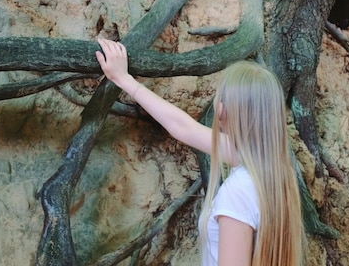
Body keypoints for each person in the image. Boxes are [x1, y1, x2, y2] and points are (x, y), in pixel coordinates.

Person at [96, 39, 304, 266]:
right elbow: (183, 127)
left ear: (222, 110)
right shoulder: (274, 172)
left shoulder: (238, 193)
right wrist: (124, 79)